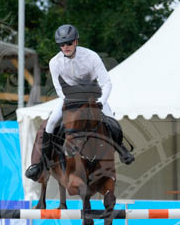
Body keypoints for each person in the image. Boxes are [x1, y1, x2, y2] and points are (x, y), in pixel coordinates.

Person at [25, 24, 134, 181]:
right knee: (51, 122)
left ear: (76, 41)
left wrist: (101, 102)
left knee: (111, 121)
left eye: (69, 43)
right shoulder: (54, 62)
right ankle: (42, 163)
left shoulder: (91, 57)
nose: (65, 47)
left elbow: (107, 83)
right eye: (62, 44)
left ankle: (122, 149)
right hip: (70, 98)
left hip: (94, 96)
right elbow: (59, 89)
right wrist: (72, 102)